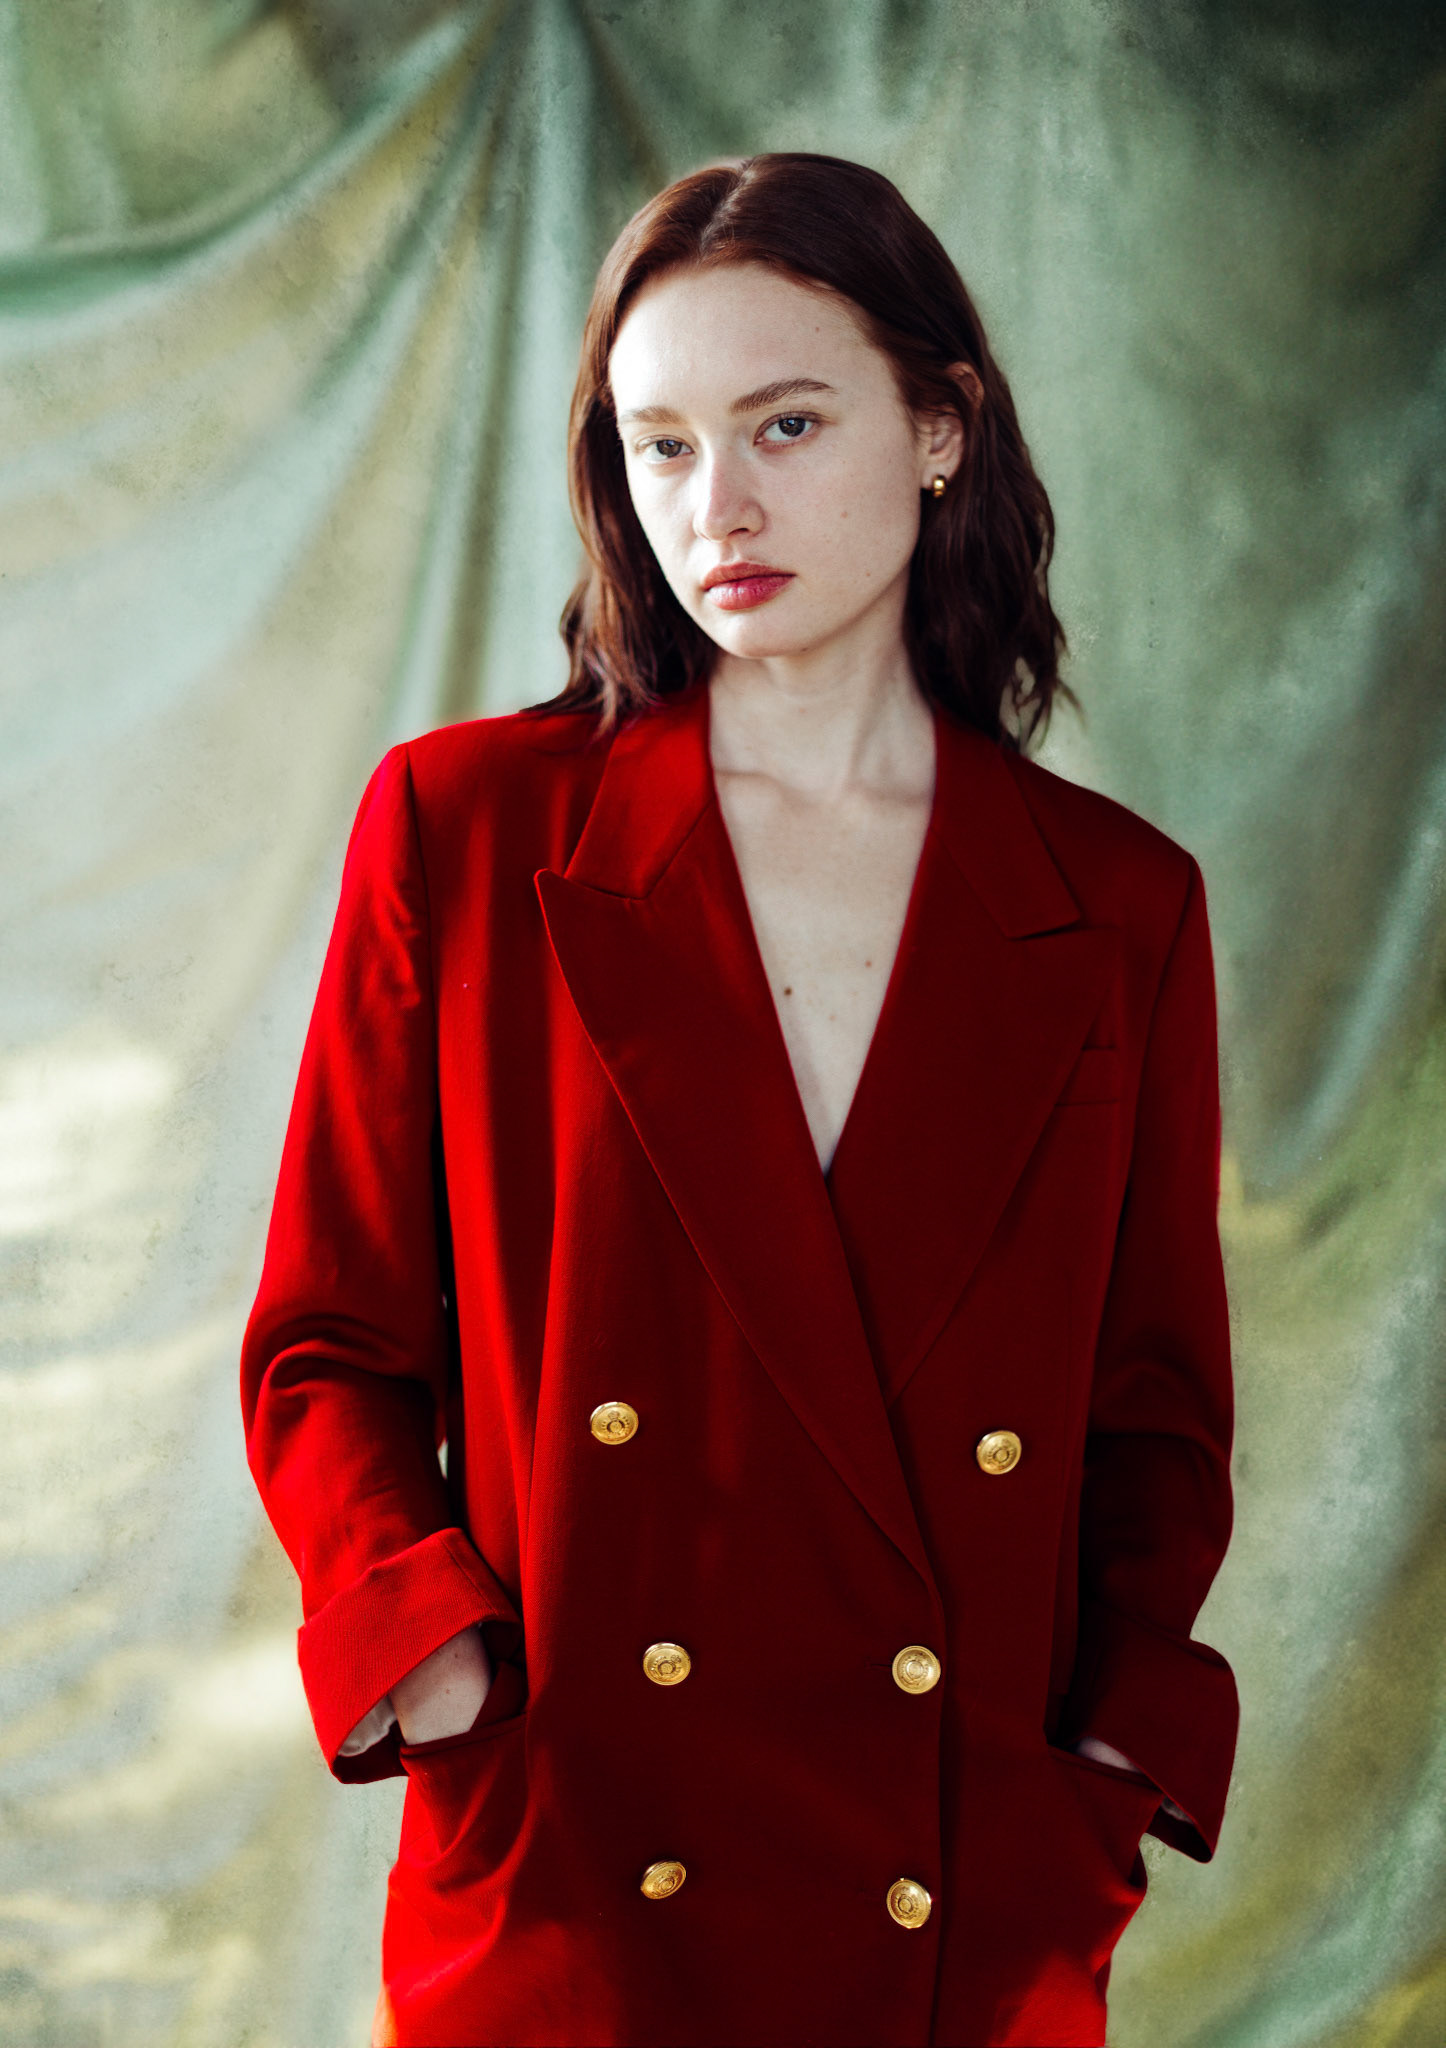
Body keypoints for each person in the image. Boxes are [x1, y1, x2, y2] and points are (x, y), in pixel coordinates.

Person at [239, 151, 1239, 2048]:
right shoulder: (466, 831)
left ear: (939, 428)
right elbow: (325, 1344)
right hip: (577, 1868)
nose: (719, 506)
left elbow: (1154, 1418)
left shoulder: (1117, 905)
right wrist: (441, 1669)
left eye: (785, 424)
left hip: (955, 1901)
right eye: (662, 445)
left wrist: (1100, 1762)